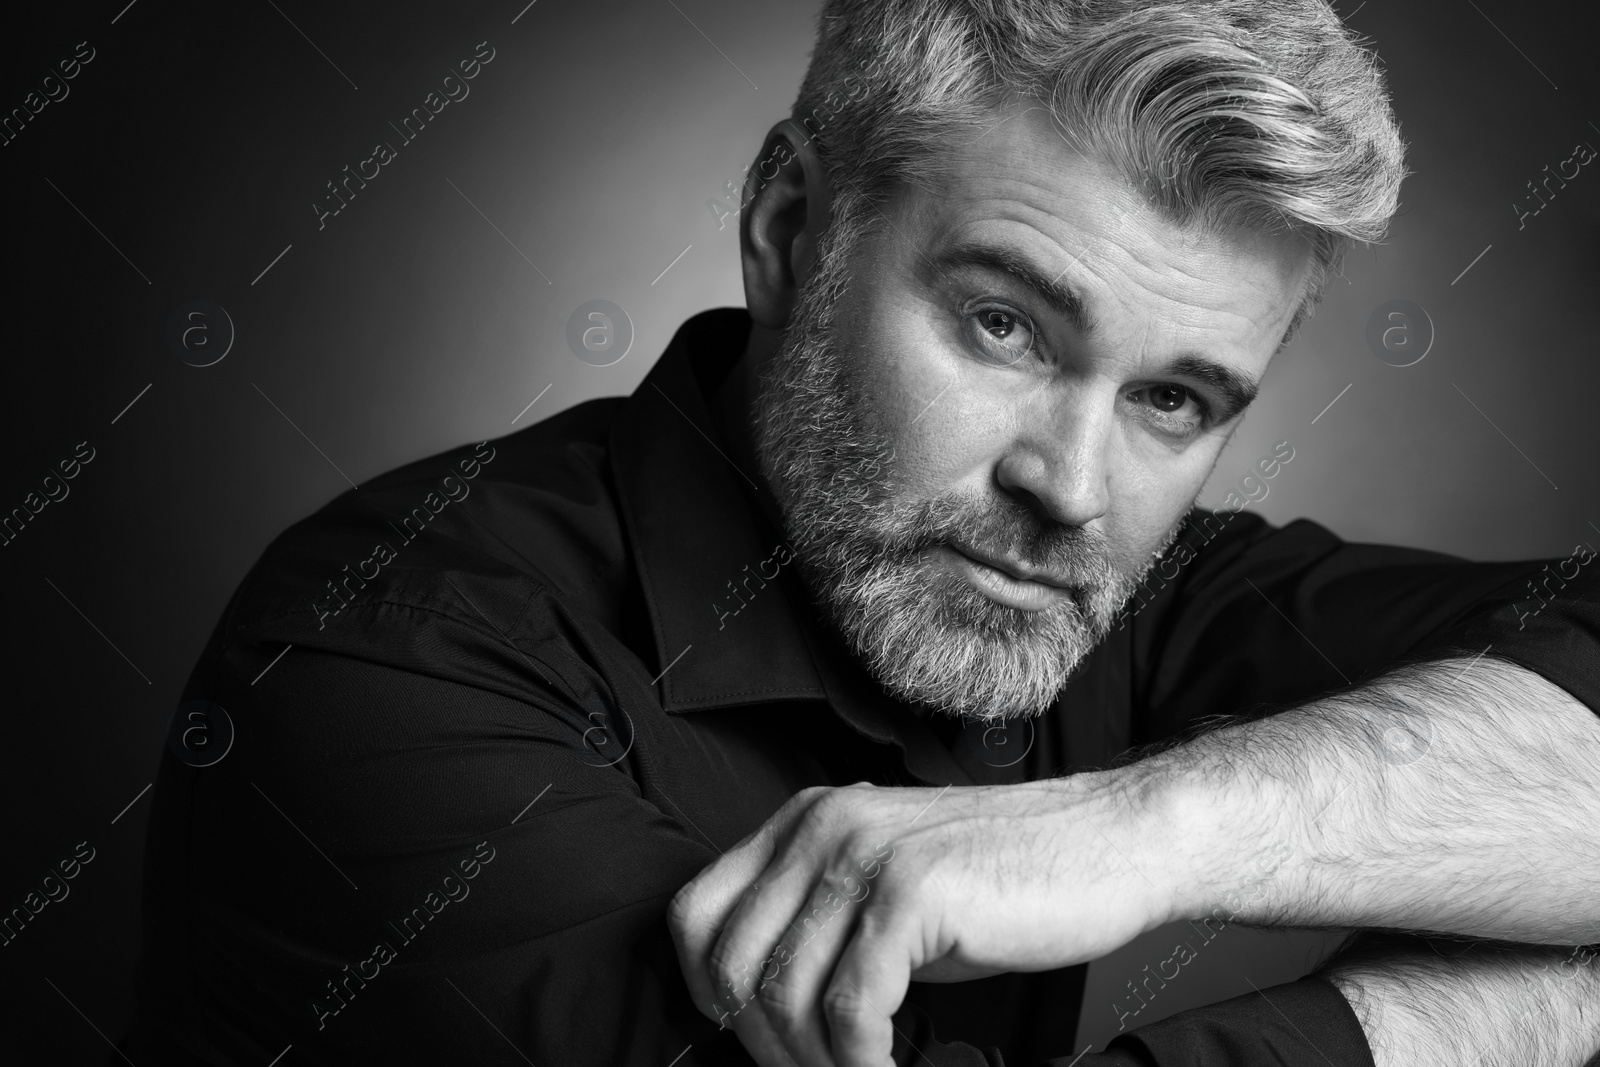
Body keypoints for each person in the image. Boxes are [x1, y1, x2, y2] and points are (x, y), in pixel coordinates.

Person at [120, 1, 1600, 1064]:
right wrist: (1469, 1017)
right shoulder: (375, 666)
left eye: (1175, 399)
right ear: (788, 228)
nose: (1073, 489)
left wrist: (1155, 831)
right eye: (1004, 324)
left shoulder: (1092, 576)